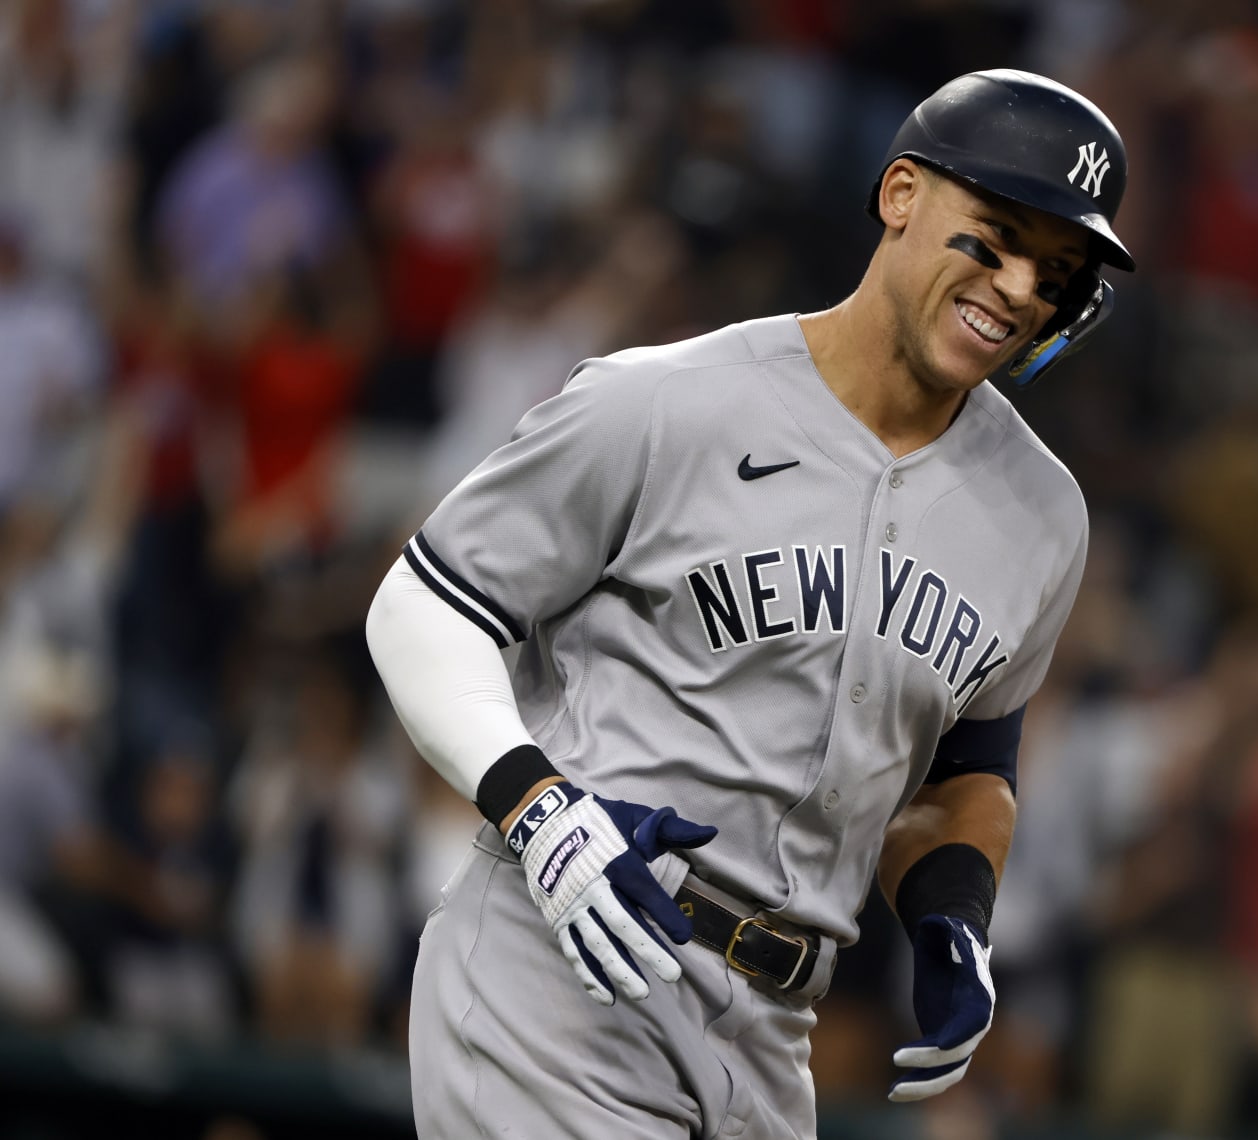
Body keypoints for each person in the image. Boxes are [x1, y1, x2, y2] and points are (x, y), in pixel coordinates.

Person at [365, 69, 1133, 1139]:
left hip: (773, 1031)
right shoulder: (667, 400)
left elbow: (965, 773)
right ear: (901, 194)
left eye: (1053, 272)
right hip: (564, 962)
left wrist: (953, 916)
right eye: (994, 237)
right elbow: (423, 607)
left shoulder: (1042, 515)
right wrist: (539, 808)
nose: (1014, 287)